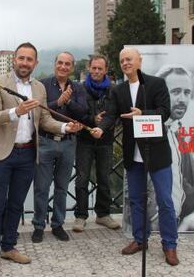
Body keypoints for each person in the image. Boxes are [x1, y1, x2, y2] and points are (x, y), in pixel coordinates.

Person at [0, 42, 81, 276]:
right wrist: (17, 111)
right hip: (1, 153)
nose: (25, 63)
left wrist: (66, 127)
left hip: (27, 153)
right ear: (14, 60)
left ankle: (8, 247)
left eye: (29, 59)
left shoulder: (39, 88)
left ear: (35, 63)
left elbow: (44, 120)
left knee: (16, 204)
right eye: (21, 58)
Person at [94, 47, 179, 266]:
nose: (125, 63)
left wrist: (143, 114)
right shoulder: (118, 90)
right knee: (136, 200)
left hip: (157, 152)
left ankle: (169, 244)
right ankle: (140, 239)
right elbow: (112, 115)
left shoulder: (156, 84)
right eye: (122, 60)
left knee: (165, 201)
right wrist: (101, 129)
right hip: (133, 154)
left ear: (139, 61)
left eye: (129, 59)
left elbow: (164, 111)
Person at [31, 52, 87, 243]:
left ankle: (58, 224)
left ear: (72, 67)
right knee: (41, 187)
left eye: (67, 64)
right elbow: (39, 111)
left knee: (62, 187)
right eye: (60, 63)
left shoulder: (78, 87)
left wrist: (69, 101)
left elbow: (83, 112)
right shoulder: (42, 85)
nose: (63, 66)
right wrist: (59, 102)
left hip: (68, 143)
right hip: (45, 141)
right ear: (55, 64)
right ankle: (39, 225)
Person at [73, 54, 120, 232]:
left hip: (106, 140)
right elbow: (75, 113)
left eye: (100, 68)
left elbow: (115, 113)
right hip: (84, 139)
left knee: (104, 178)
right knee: (82, 178)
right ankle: (81, 216)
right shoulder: (80, 88)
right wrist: (93, 120)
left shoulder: (114, 90)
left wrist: (105, 122)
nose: (97, 71)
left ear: (106, 70)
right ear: (89, 69)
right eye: (94, 68)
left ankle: (103, 214)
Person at [155, 66, 194, 219]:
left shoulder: (178, 131)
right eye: (175, 92)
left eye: (187, 93)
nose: (182, 99)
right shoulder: (153, 131)